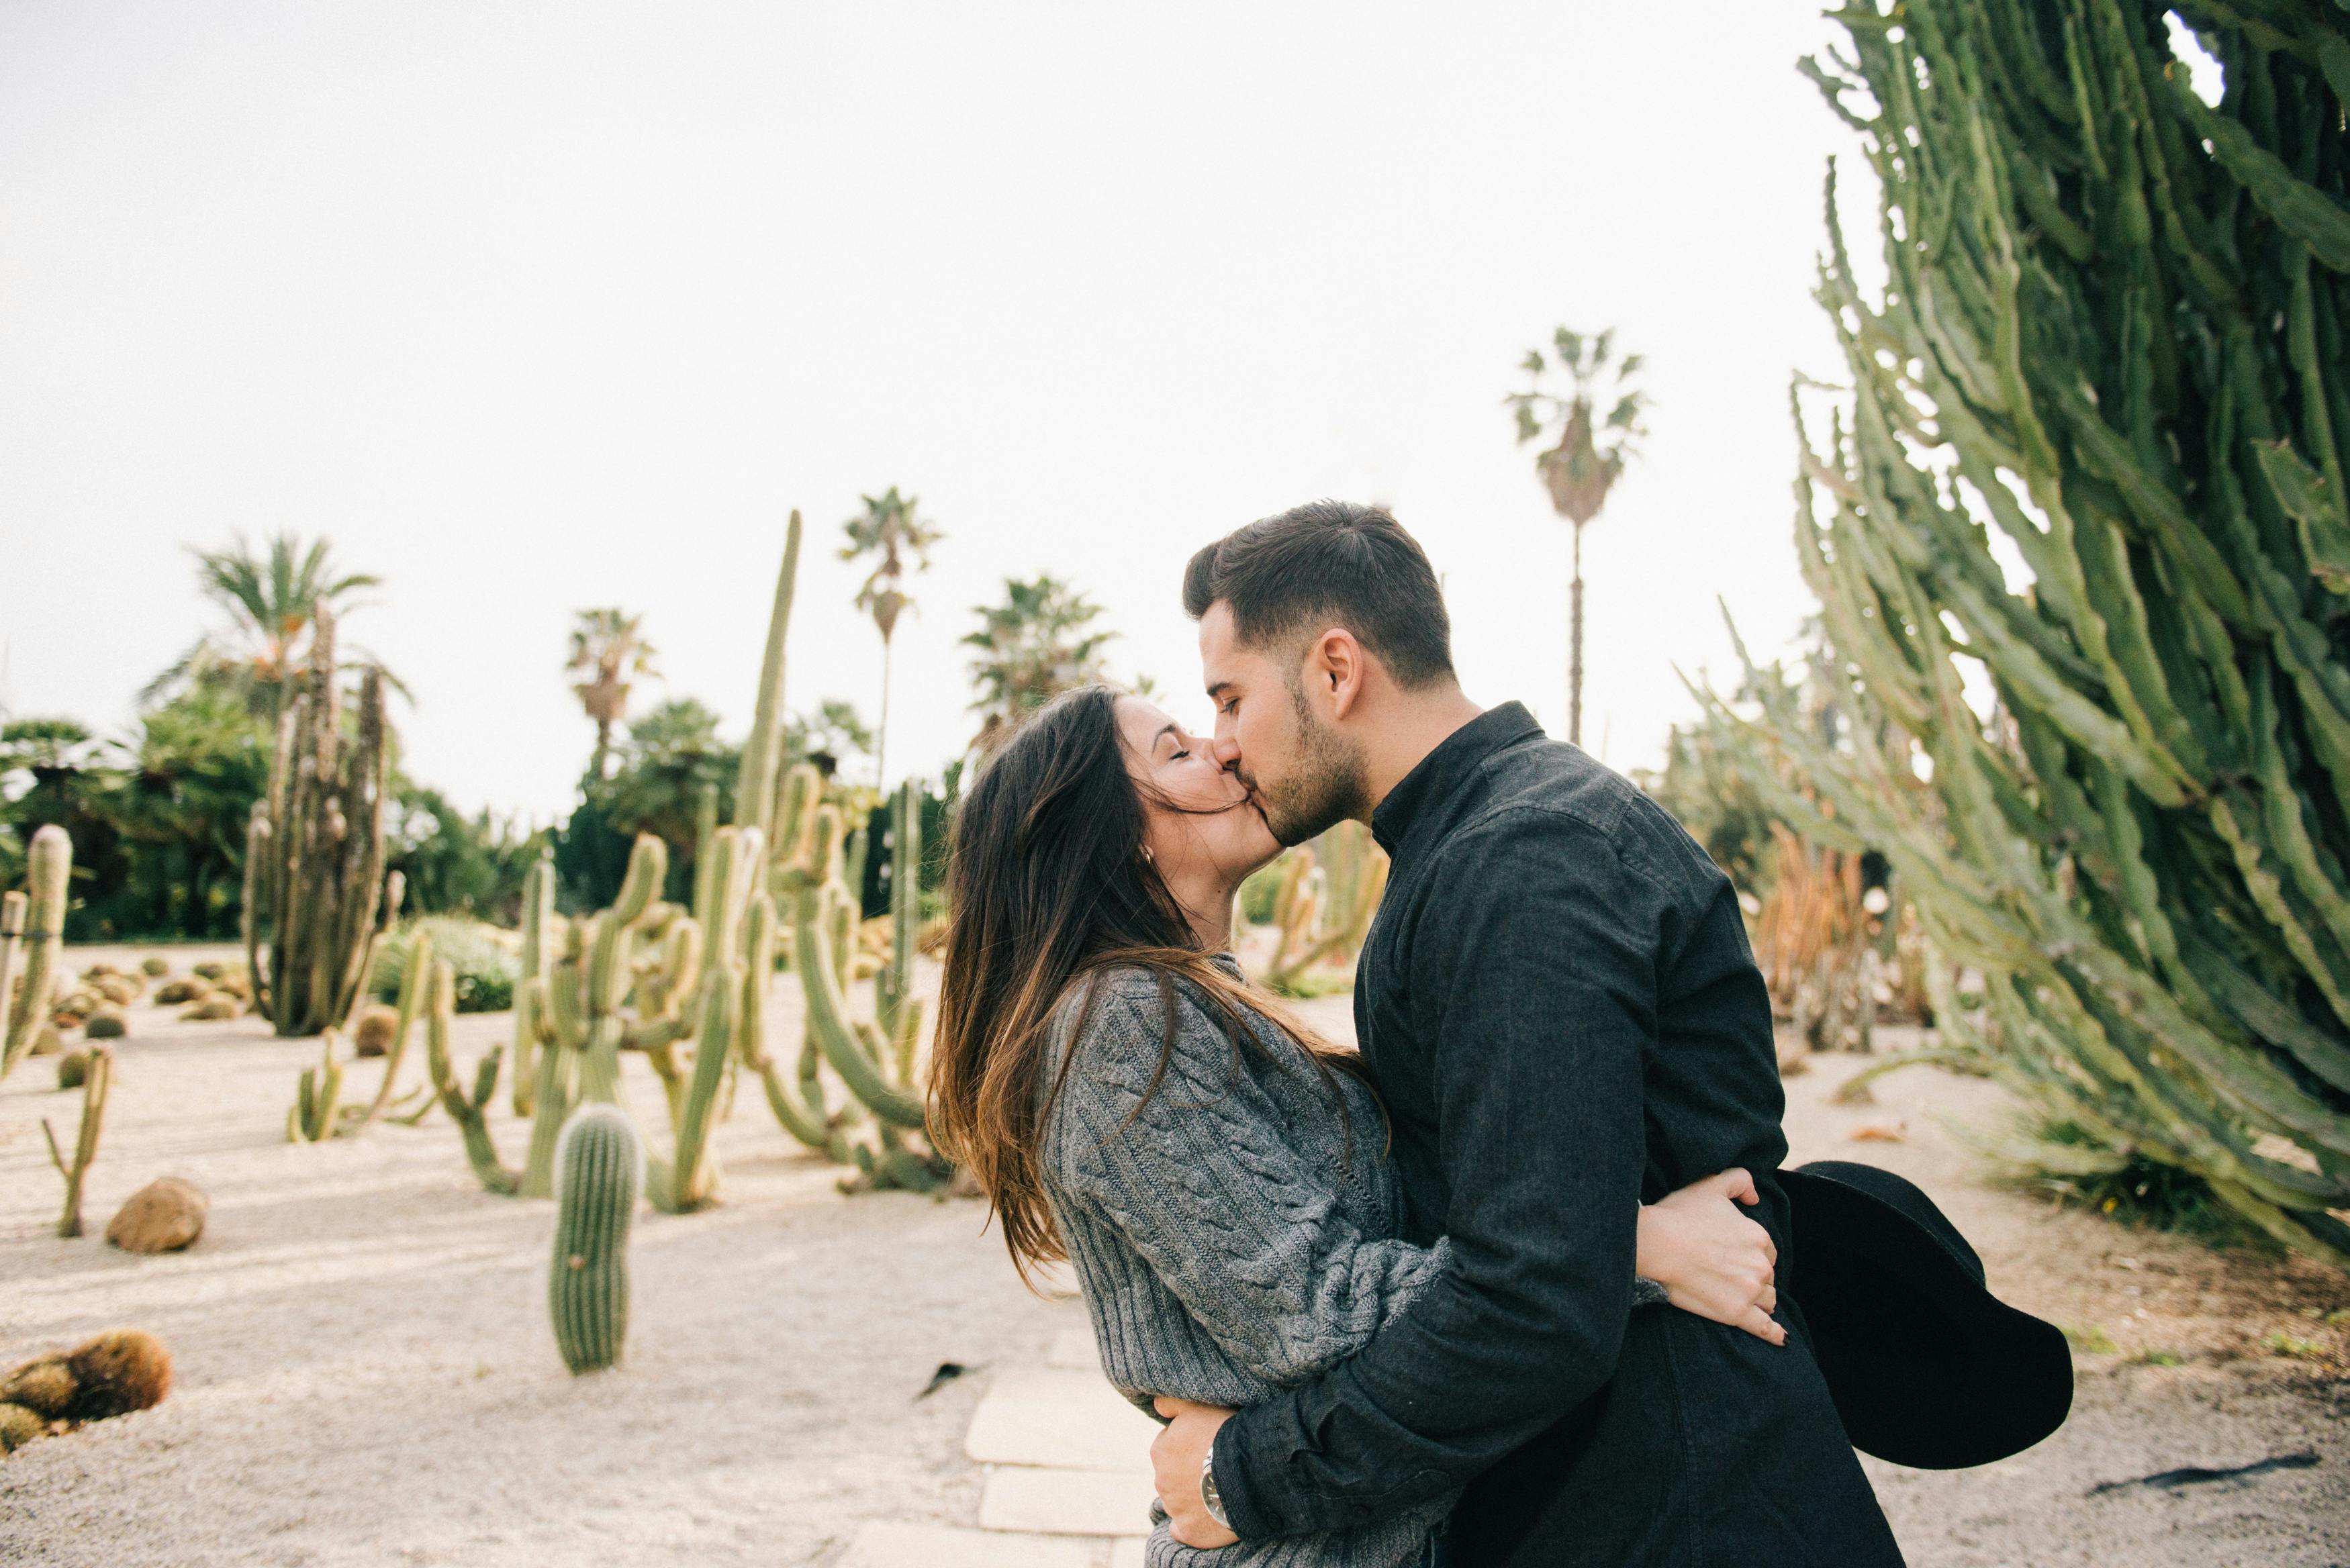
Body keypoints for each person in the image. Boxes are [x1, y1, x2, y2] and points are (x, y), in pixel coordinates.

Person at [1142, 499, 1903, 1567]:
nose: (1222, 744)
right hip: (1615, 1486)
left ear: (1334, 669)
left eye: (1229, 698)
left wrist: (1250, 1474)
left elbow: (1535, 1297)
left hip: (1675, 1508)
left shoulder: (1522, 860)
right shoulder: (1483, 841)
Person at [929, 681, 1788, 1568]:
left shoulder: (1190, 1007)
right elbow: (1313, 1315)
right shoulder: (1123, 1023)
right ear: (1118, 841)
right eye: (1177, 751)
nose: (1224, 748)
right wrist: (1635, 1248)